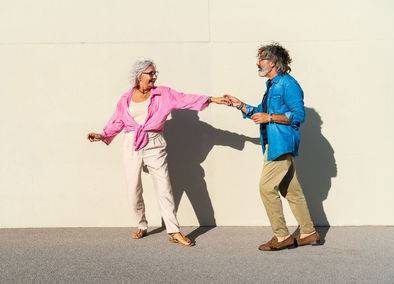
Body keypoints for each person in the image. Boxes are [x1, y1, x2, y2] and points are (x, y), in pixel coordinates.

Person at [87, 58, 228, 246]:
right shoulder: (125, 98)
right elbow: (117, 121)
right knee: (133, 189)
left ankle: (174, 231)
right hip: (131, 143)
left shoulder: (164, 94)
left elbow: (185, 98)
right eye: (150, 73)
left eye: (155, 73)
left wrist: (213, 99)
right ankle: (141, 224)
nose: (154, 76)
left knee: (164, 188)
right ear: (139, 76)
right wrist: (102, 135)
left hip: (154, 143)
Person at [224, 43, 320, 251]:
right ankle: (308, 232)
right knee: (291, 191)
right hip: (273, 144)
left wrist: (270, 117)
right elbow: (261, 111)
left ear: (274, 62)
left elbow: (299, 116)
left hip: (281, 144)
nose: (257, 63)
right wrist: (240, 105)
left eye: (261, 59)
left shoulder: (288, 84)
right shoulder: (272, 86)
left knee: (266, 188)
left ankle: (281, 236)